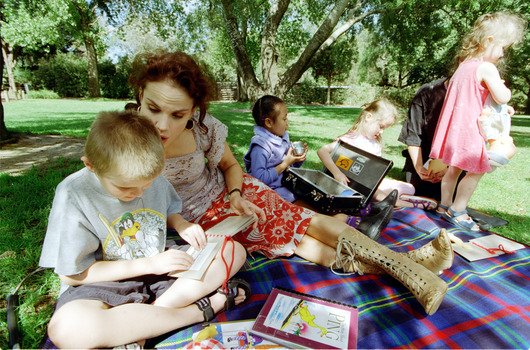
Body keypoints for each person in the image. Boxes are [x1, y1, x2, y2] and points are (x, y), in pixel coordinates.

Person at [129, 50, 454, 315]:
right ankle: (411, 269)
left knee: (306, 220)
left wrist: (236, 194)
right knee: (301, 243)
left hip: (238, 198)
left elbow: (229, 165)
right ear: (140, 96)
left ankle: (410, 271)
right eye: (154, 109)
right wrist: (181, 223)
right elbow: (136, 201)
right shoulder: (125, 142)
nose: (162, 125)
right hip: (206, 223)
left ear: (193, 110)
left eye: (178, 114)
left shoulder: (202, 128)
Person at [39, 110, 250, 349]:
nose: (139, 194)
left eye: (147, 184)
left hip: (158, 272)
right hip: (103, 285)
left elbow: (167, 209)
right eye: (125, 187)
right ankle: (200, 311)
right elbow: (72, 274)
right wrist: (150, 264)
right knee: (67, 330)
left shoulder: (150, 176)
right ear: (91, 165)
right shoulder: (73, 193)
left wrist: (181, 224)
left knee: (234, 250)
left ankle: (144, 323)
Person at [243, 94, 396, 240]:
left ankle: (367, 211)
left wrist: (297, 160)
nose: (287, 122)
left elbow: (290, 167)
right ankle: (361, 227)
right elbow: (259, 180)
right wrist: (286, 163)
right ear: (269, 122)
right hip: (274, 196)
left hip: (289, 187)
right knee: (314, 215)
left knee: (320, 202)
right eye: (284, 118)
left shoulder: (279, 137)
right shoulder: (260, 147)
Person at [429, 12, 526, 232]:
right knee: (476, 171)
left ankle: (444, 207)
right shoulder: (487, 68)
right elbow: (502, 96)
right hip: (469, 131)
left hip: (453, 131)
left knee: (453, 170)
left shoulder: (463, 66)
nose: (503, 53)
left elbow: (473, 99)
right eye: (503, 47)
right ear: (489, 39)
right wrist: (504, 89)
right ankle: (459, 210)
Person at [318, 98, 438, 211]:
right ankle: (407, 204)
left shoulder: (375, 141)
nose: (381, 132)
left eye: (384, 129)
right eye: (380, 127)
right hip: (352, 185)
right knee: (379, 194)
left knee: (409, 188)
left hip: (369, 183)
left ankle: (399, 198)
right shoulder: (350, 139)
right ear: (369, 117)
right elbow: (322, 151)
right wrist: (337, 173)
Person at [398, 78, 449, 201]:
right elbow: (413, 135)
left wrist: (449, 170)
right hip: (421, 163)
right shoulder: (428, 91)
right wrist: (420, 168)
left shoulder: (476, 96)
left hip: (453, 167)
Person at [478, 93, 517, 169]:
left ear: (503, 143)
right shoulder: (503, 134)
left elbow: (484, 125)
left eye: (511, 143)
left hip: (489, 105)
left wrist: (484, 116)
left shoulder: (490, 135)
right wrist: (506, 108)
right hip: (499, 107)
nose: (511, 140)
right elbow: (504, 121)